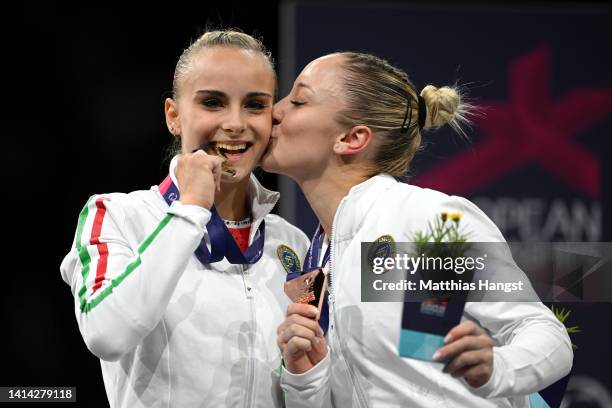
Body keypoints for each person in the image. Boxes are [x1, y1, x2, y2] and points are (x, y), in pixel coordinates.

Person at [262, 52, 573, 407]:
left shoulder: (428, 224)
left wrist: (497, 368)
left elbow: (545, 334)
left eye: (298, 100)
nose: (275, 111)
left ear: (352, 138)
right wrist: (305, 377)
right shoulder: (317, 254)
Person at [60, 30, 309, 407]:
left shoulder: (291, 242)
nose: (236, 123)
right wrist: (190, 210)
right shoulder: (116, 216)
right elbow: (106, 334)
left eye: (255, 105)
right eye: (213, 102)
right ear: (173, 117)